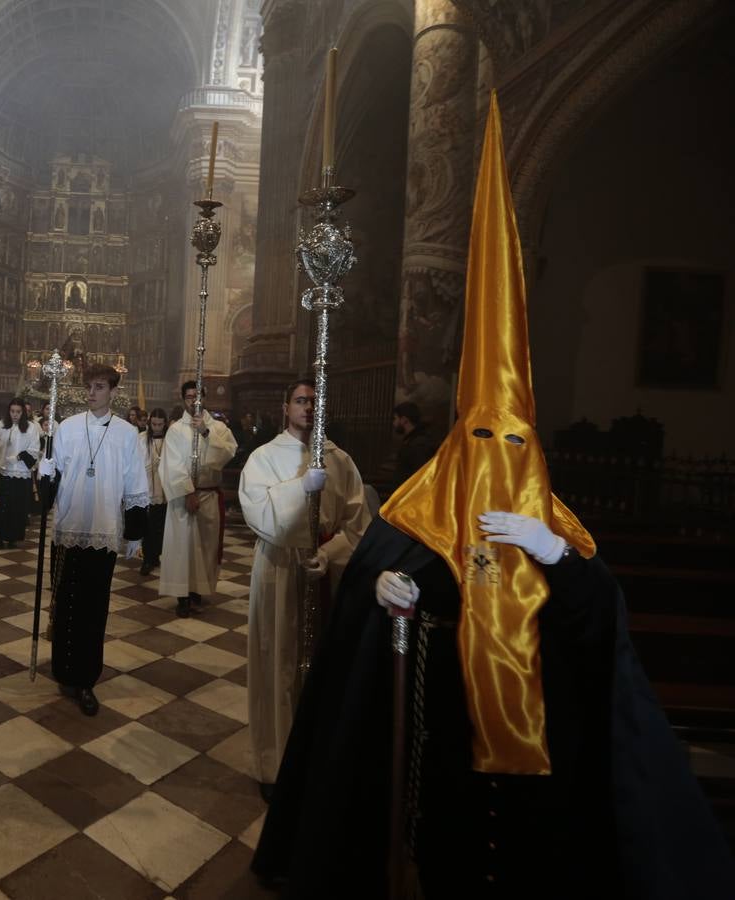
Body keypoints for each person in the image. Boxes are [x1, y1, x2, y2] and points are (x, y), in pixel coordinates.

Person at [251, 96, 735, 897]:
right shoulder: (414, 513)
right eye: (483, 440)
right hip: (436, 750)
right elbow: (360, 631)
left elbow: (599, 634)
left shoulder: (559, 529)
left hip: (538, 778)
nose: (498, 458)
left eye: (515, 444)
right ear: (455, 443)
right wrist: (380, 592)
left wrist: (563, 563)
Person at [239, 379, 370, 801]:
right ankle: (274, 762)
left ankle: (316, 757)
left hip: (323, 573)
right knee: (277, 662)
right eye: (301, 401)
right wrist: (300, 488)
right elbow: (259, 512)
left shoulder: (340, 460)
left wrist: (330, 554)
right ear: (285, 407)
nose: (308, 408)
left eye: (315, 402)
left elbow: (357, 523)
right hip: (280, 566)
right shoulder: (264, 458)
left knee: (320, 666)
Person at [38, 365, 148, 715]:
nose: (91, 393)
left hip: (103, 531)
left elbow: (135, 483)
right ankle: (62, 670)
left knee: (93, 607)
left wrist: (134, 530)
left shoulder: (128, 434)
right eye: (89, 387)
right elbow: (51, 485)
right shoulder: (66, 429)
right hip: (69, 529)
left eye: (99, 387)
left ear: (114, 391)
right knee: (65, 603)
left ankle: (86, 679)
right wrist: (45, 475)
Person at [159, 380, 238, 618]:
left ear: (205, 397)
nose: (194, 401)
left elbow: (226, 454)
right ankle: (182, 596)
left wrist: (205, 432)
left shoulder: (219, 428)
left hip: (210, 495)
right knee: (183, 548)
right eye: (189, 396)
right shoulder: (175, 429)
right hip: (184, 497)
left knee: (205, 547)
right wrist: (188, 491)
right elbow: (171, 464)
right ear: (183, 399)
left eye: (198, 396)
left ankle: (198, 591)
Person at [0, 398, 40, 550]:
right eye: (12, 411)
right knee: (2, 507)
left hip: (21, 473)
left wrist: (18, 457)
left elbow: (34, 449)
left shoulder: (31, 428)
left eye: (18, 412)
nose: (15, 415)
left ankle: (13, 538)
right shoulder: (1, 425)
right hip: (4, 472)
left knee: (17, 508)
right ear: (8, 411)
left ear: (23, 412)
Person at [139, 408, 169, 577]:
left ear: (165, 424)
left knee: (161, 526)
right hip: (147, 488)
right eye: (154, 424)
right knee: (148, 527)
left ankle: (155, 555)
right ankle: (147, 559)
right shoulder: (142, 439)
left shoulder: (170, 439)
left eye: (160, 424)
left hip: (165, 490)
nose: (157, 427)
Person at [392, 400, 439, 487]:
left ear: (404, 420)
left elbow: (421, 477)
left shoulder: (419, 445)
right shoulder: (412, 441)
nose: (393, 423)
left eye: (395, 419)